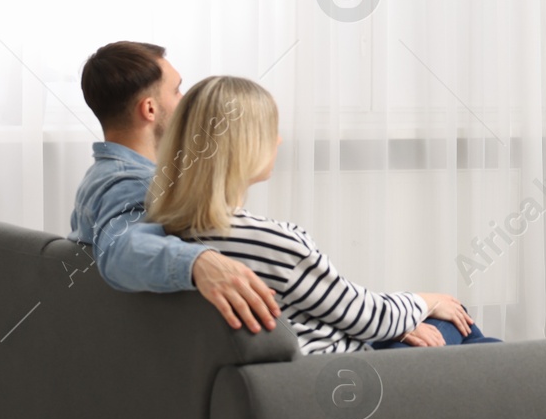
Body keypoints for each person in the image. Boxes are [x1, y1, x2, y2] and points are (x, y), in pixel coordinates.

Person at [144, 74, 494, 352]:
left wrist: (403, 320)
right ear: (244, 145)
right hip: (350, 374)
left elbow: (341, 309)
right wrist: (427, 301)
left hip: (305, 365)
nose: (278, 141)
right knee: (460, 321)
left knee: (453, 332)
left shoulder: (162, 236)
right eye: (271, 131)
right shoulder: (274, 243)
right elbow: (364, 317)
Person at [69, 41, 281, 333]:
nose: (185, 101)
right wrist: (199, 261)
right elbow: (121, 248)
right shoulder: (131, 184)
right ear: (150, 109)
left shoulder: (103, 174)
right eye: (177, 90)